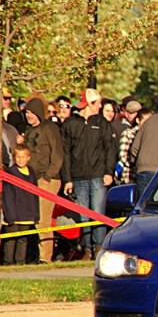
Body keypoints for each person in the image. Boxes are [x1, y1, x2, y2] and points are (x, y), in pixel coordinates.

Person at [61, 88, 116, 259]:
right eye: (98, 103)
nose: (100, 106)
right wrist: (67, 179)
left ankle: (99, 247)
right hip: (78, 177)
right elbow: (65, 153)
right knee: (83, 215)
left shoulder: (102, 123)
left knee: (98, 213)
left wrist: (108, 172)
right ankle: (86, 249)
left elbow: (110, 149)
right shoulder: (70, 124)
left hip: (98, 176)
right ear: (89, 104)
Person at [24, 97, 63, 264]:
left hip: (48, 179)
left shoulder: (50, 128)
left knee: (43, 219)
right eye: (26, 112)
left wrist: (48, 175)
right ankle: (34, 254)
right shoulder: (28, 131)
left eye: (32, 113)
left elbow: (58, 154)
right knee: (33, 218)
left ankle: (45, 257)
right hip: (31, 179)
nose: (29, 116)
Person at [2, 146, 39, 265]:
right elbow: (7, 195)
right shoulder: (10, 172)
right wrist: (9, 215)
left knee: (23, 239)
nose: (20, 159)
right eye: (18, 157)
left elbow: (35, 194)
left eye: (23, 157)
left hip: (27, 212)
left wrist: (36, 214)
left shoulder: (31, 172)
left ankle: (20, 262)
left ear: (28, 158)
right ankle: (8, 263)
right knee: (10, 240)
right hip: (13, 213)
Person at [117, 105, 152, 185]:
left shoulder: (151, 134)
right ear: (138, 120)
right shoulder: (129, 133)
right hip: (129, 176)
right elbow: (123, 156)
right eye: (145, 121)